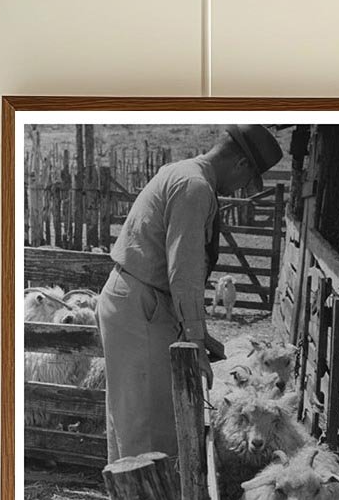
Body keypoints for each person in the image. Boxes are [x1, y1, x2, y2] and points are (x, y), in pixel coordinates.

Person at [97, 125, 284, 480]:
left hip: (136, 299)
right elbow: (183, 272)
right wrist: (195, 342)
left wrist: (198, 332)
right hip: (142, 306)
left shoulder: (181, 172)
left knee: (131, 414)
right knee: (150, 420)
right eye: (247, 180)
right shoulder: (194, 187)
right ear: (241, 163)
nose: (242, 190)